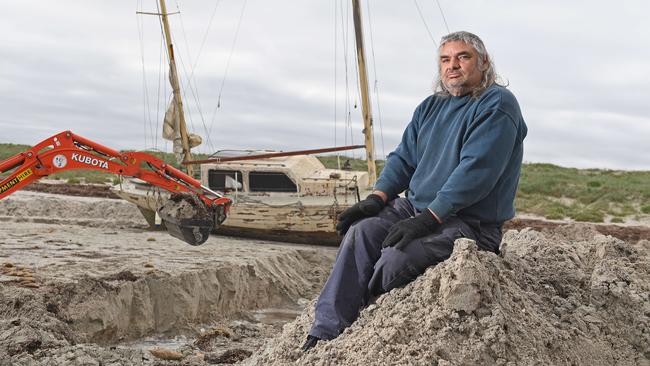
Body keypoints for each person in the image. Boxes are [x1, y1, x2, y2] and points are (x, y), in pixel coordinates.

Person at [302, 31, 528, 351]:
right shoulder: (430, 106)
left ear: (484, 62)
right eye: (445, 59)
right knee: (361, 232)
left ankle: (365, 313)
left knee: (396, 259)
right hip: (416, 208)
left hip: (470, 222)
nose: (453, 66)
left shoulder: (498, 104)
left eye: (463, 57)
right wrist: (376, 198)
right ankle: (324, 332)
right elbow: (404, 158)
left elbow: (477, 172)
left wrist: (429, 218)